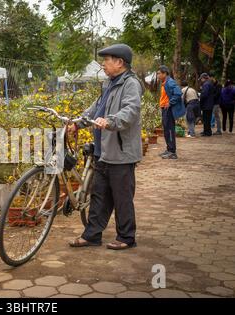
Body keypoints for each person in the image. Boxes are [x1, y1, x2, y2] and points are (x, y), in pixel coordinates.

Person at [67, 43, 143, 250]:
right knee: (99, 196)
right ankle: (92, 235)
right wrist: (77, 122)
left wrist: (111, 121)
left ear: (119, 62)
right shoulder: (110, 83)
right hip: (103, 151)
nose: (103, 64)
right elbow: (95, 109)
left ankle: (127, 237)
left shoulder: (130, 84)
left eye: (107, 60)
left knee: (122, 197)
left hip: (121, 152)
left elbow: (131, 110)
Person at [156, 65, 185, 159]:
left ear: (164, 73)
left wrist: (170, 103)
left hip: (168, 110)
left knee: (169, 130)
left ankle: (172, 152)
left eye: (159, 73)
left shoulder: (170, 82)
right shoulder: (165, 82)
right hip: (164, 109)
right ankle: (169, 149)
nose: (157, 75)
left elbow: (178, 93)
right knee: (166, 130)